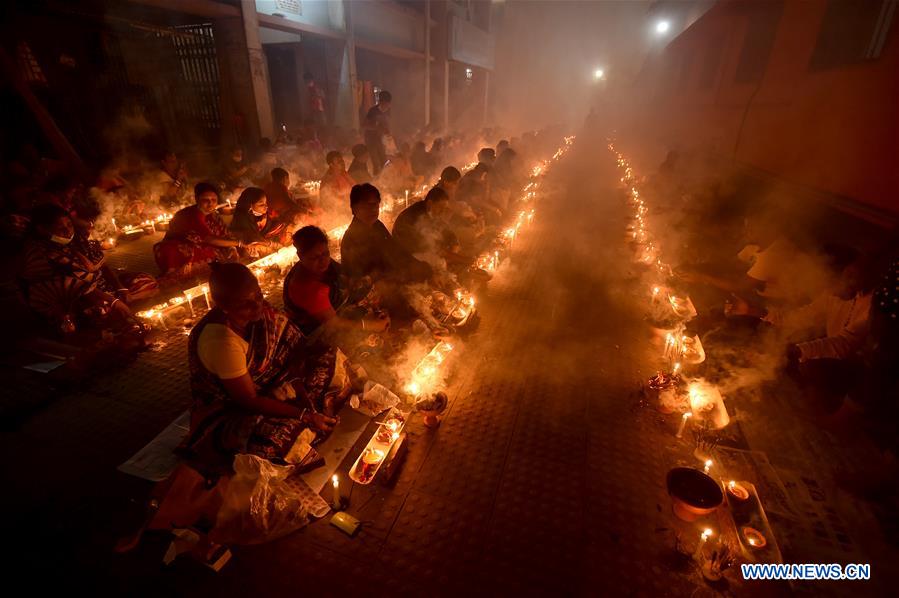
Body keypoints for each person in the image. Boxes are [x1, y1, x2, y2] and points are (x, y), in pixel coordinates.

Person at [182, 262, 340, 478]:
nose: (258, 305)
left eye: (258, 294)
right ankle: (310, 417)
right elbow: (248, 400)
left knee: (329, 357)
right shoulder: (220, 342)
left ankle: (310, 416)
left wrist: (304, 401)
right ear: (223, 305)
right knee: (269, 445)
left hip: (274, 382)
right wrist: (305, 414)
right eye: (245, 304)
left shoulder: (259, 311)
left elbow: (292, 351)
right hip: (233, 412)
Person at [18, 203, 141, 335]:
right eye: (60, 228)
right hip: (71, 302)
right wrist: (114, 301)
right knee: (101, 312)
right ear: (42, 230)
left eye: (69, 225)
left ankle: (117, 303)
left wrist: (120, 287)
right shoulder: (39, 253)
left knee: (143, 281)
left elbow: (101, 264)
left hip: (99, 289)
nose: (68, 231)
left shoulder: (77, 239)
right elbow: (72, 286)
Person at [284, 226, 389, 340]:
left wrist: (356, 284)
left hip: (334, 306)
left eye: (326, 253)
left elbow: (343, 277)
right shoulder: (309, 288)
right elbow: (334, 324)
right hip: (315, 330)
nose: (323, 260)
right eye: (315, 257)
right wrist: (371, 325)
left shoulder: (321, 264)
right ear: (300, 256)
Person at [340, 183, 431, 283]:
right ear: (355, 208)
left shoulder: (377, 225)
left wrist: (418, 265)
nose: (374, 210)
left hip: (394, 280)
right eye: (368, 206)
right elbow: (359, 279)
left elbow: (396, 249)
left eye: (376, 205)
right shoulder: (351, 239)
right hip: (378, 291)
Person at [153, 182, 242, 278]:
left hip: (204, 243)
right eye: (205, 200)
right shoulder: (191, 214)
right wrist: (238, 243)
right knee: (212, 253)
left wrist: (231, 247)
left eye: (213, 200)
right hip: (180, 246)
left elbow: (224, 234)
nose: (210, 203)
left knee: (228, 250)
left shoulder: (213, 215)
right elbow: (209, 239)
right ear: (197, 199)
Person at [228, 187, 289, 257]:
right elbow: (253, 238)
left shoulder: (265, 214)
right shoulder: (242, 220)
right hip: (249, 246)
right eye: (261, 205)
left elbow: (276, 225)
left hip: (266, 242)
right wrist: (275, 246)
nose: (266, 206)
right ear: (249, 206)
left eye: (266, 203)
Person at [392, 186, 453, 256]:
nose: (442, 211)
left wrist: (453, 240)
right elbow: (423, 245)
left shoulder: (430, 211)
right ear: (430, 203)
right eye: (440, 207)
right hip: (404, 252)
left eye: (444, 208)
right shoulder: (415, 215)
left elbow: (442, 226)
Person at [363, 90, 392, 176]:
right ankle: (376, 182)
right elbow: (364, 125)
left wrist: (387, 131)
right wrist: (376, 128)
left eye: (388, 104)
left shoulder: (388, 111)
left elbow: (386, 125)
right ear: (381, 102)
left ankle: (384, 179)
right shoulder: (373, 111)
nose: (387, 106)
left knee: (384, 161)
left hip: (380, 139)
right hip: (371, 140)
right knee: (376, 163)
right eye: (386, 104)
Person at [319, 150, 355, 216]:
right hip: (339, 214)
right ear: (331, 165)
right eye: (339, 162)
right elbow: (331, 202)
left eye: (342, 161)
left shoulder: (343, 173)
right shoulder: (328, 180)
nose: (342, 163)